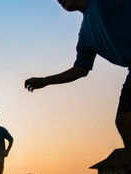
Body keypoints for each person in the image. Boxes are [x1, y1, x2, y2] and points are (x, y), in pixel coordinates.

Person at [24, 0, 131, 158]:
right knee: (124, 121)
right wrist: (45, 81)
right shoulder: (85, 35)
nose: (59, 0)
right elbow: (80, 69)